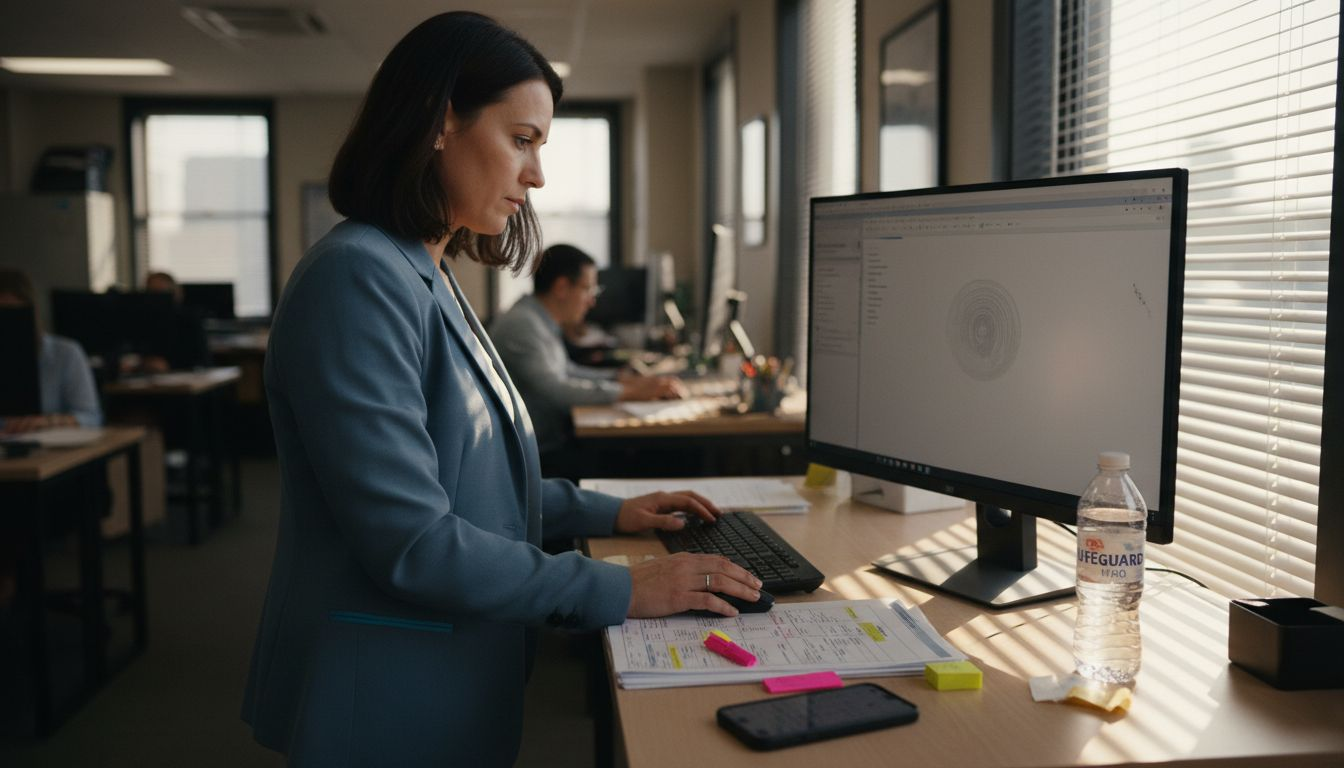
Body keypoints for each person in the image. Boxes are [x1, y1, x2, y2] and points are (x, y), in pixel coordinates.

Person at [241, 12, 762, 766]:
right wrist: (620, 590)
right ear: (440, 123)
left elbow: (472, 479)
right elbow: (414, 540)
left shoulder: (428, 271)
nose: (537, 175)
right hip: (383, 693)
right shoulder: (356, 278)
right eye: (522, 140)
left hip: (444, 671)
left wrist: (609, 510)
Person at [489, 243, 684, 457]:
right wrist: (630, 392)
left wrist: (618, 378)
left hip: (550, 443)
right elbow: (557, 390)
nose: (592, 301)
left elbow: (567, 370)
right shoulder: (523, 325)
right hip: (541, 454)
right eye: (588, 289)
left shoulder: (538, 320)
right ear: (562, 287)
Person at [0, 268, 102, 433]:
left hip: (51, 445)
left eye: (10, 314)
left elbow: (91, 417)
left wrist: (48, 421)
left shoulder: (66, 353)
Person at [138, 270, 211, 372]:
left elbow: (201, 361)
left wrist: (170, 366)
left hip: (180, 375)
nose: (157, 299)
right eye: (152, 293)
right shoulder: (141, 321)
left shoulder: (188, 319)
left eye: (161, 293)